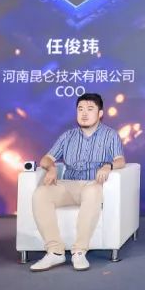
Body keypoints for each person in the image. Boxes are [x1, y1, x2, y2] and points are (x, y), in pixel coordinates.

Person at [29, 93, 125, 272]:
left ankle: (79, 251)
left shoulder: (110, 135)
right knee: (41, 193)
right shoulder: (68, 136)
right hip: (69, 184)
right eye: (80, 109)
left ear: (100, 113)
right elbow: (46, 159)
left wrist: (108, 166)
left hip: (92, 184)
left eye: (90, 109)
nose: (84, 113)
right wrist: (51, 168)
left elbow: (120, 160)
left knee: (93, 191)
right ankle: (55, 252)